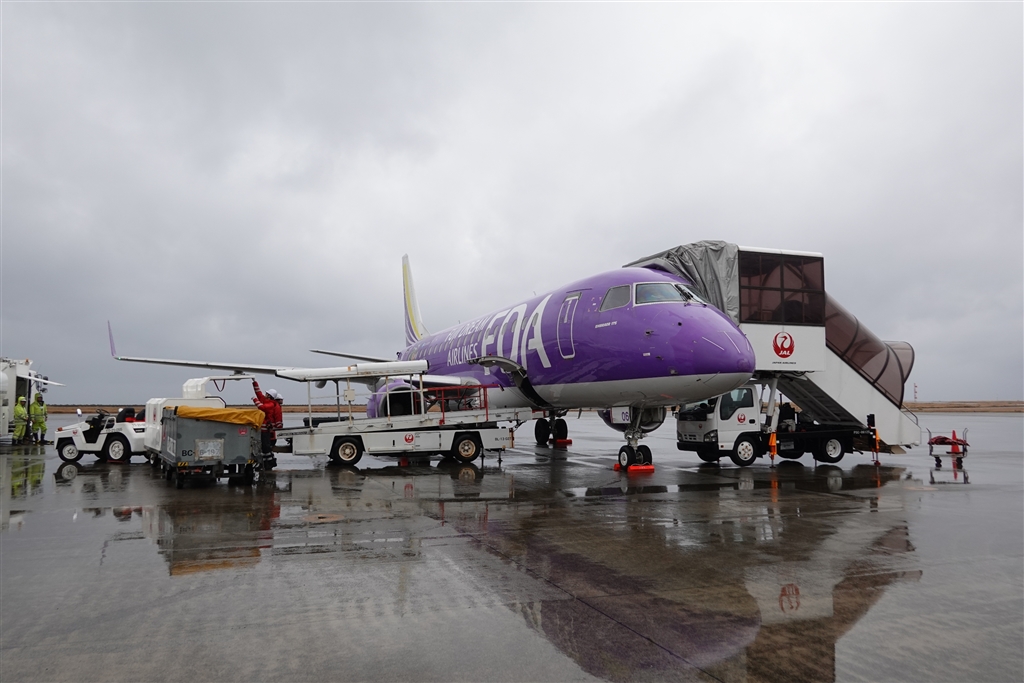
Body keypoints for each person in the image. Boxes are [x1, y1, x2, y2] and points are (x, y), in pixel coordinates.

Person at [251, 379, 282, 455]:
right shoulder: (266, 401)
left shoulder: (271, 404)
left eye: (266, 394)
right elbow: (259, 393)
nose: (265, 394)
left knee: (265, 448)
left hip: (266, 431)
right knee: (263, 447)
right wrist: (254, 382)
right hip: (263, 430)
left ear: (269, 395)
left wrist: (255, 400)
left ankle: (267, 460)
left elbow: (262, 407)